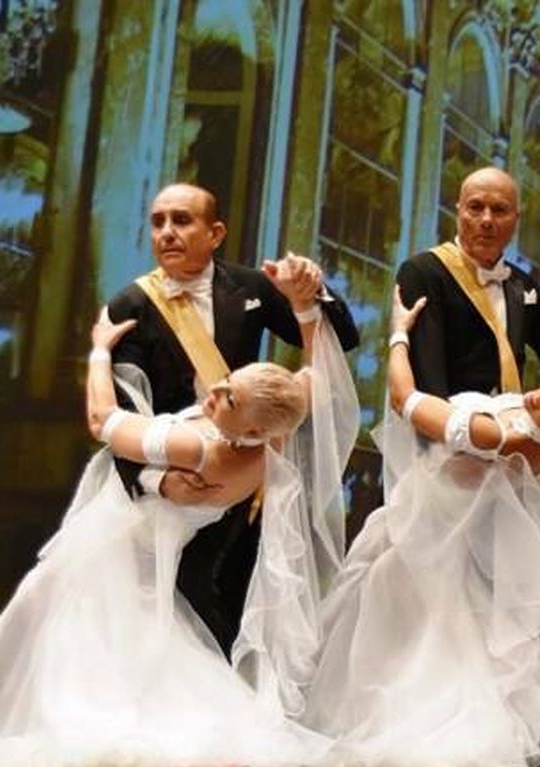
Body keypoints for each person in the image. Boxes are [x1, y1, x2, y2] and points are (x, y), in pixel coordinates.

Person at [0, 258, 353, 767]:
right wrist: (306, 306)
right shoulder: (266, 448)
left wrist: (98, 351)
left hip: (116, 549)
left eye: (228, 398)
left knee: (29, 626)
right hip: (140, 555)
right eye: (225, 382)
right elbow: (317, 377)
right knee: (117, 654)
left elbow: (103, 422)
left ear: (250, 425)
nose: (214, 393)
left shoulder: (200, 447)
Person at [302, 281, 540, 767]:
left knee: (401, 618)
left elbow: (404, 399)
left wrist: (398, 334)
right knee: (438, 624)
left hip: (430, 530)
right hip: (448, 525)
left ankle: (411, 718)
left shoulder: (496, 433)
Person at [103, 182, 359, 656]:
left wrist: (313, 291)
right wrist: (155, 481)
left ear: (215, 232)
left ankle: (237, 708)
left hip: (247, 477)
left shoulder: (252, 288)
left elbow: (340, 341)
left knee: (243, 604)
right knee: (180, 603)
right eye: (158, 222)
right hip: (173, 481)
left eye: (182, 220)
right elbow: (117, 414)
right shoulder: (130, 305)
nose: (167, 232)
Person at [395, 166, 540, 399]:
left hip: (506, 427)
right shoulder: (423, 272)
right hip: (444, 428)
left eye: (499, 210)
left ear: (516, 219)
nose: (487, 220)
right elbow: (427, 380)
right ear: (459, 211)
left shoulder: (522, 284)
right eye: (476, 207)